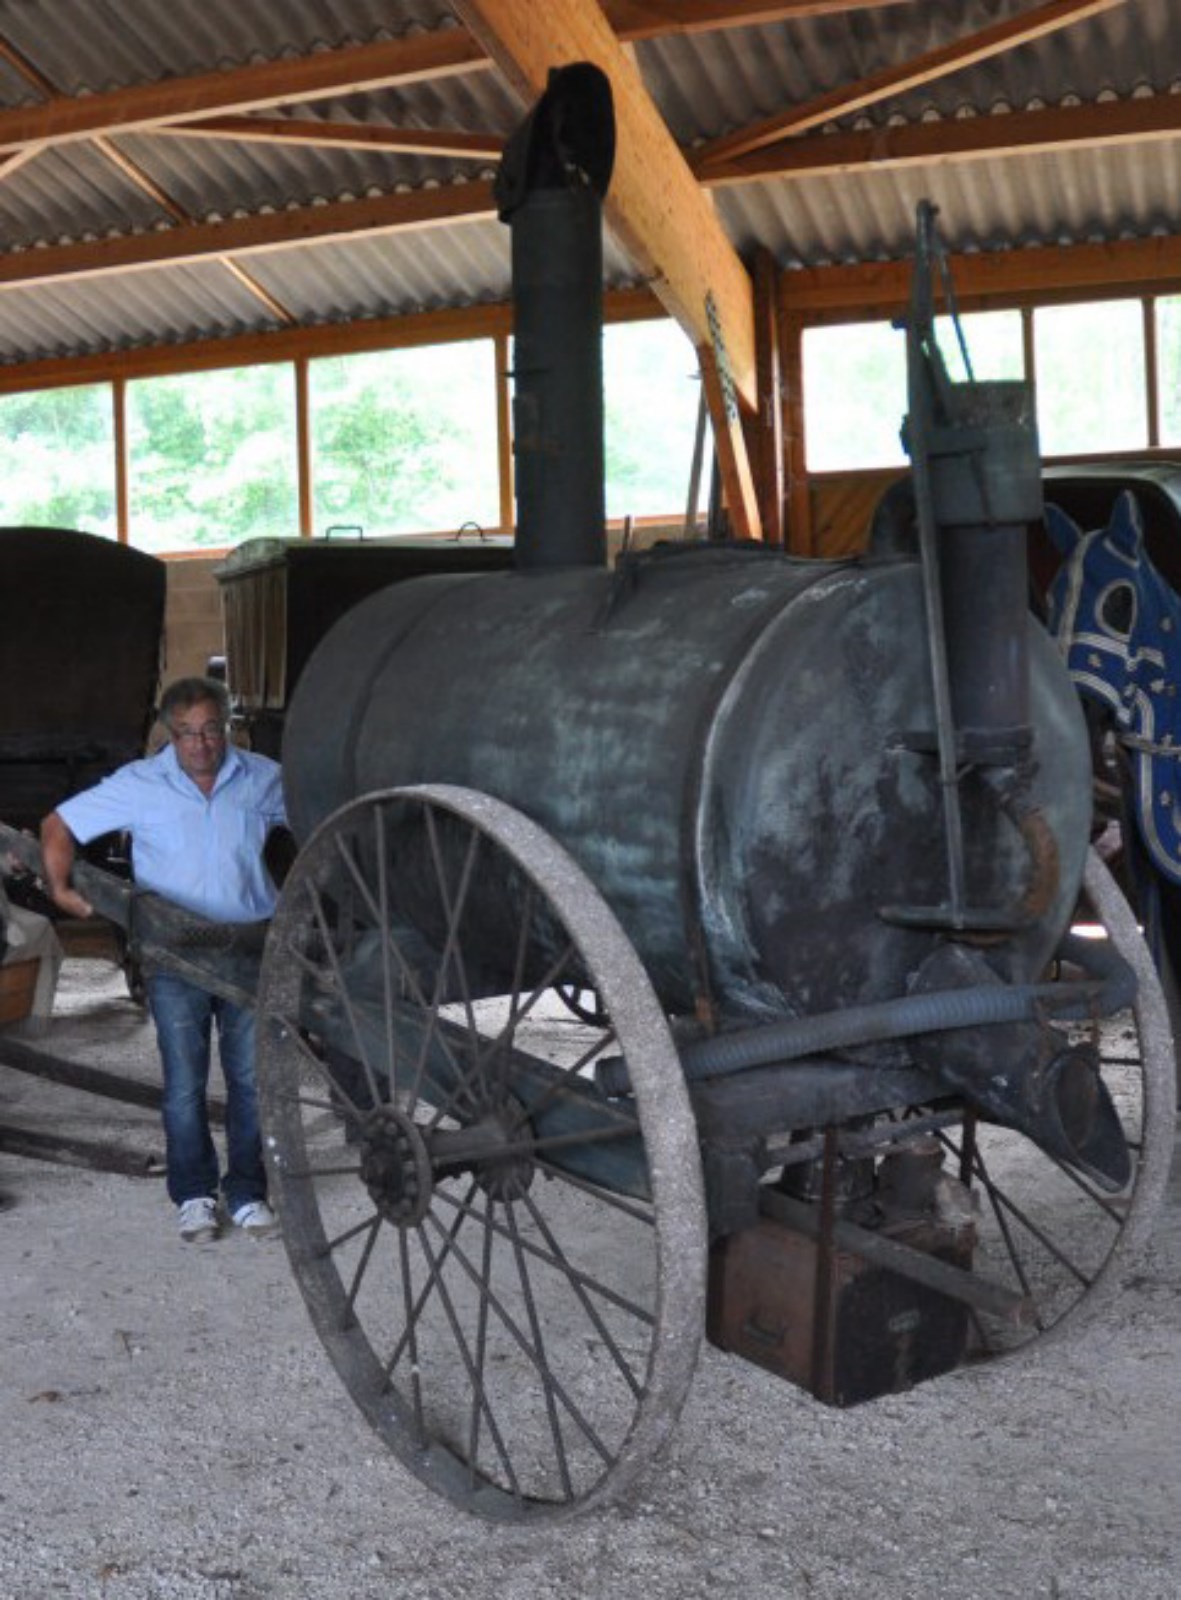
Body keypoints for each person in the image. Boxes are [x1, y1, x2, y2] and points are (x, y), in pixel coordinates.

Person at [40, 676, 287, 1244]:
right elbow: (59, 824)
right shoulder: (139, 784)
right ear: (168, 734)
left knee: (252, 1084)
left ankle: (248, 1194)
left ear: (227, 726)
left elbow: (323, 819)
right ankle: (196, 1195)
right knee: (184, 1084)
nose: (200, 745)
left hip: (250, 949)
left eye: (209, 731)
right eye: (185, 734)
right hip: (174, 954)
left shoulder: (264, 778)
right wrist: (58, 889)